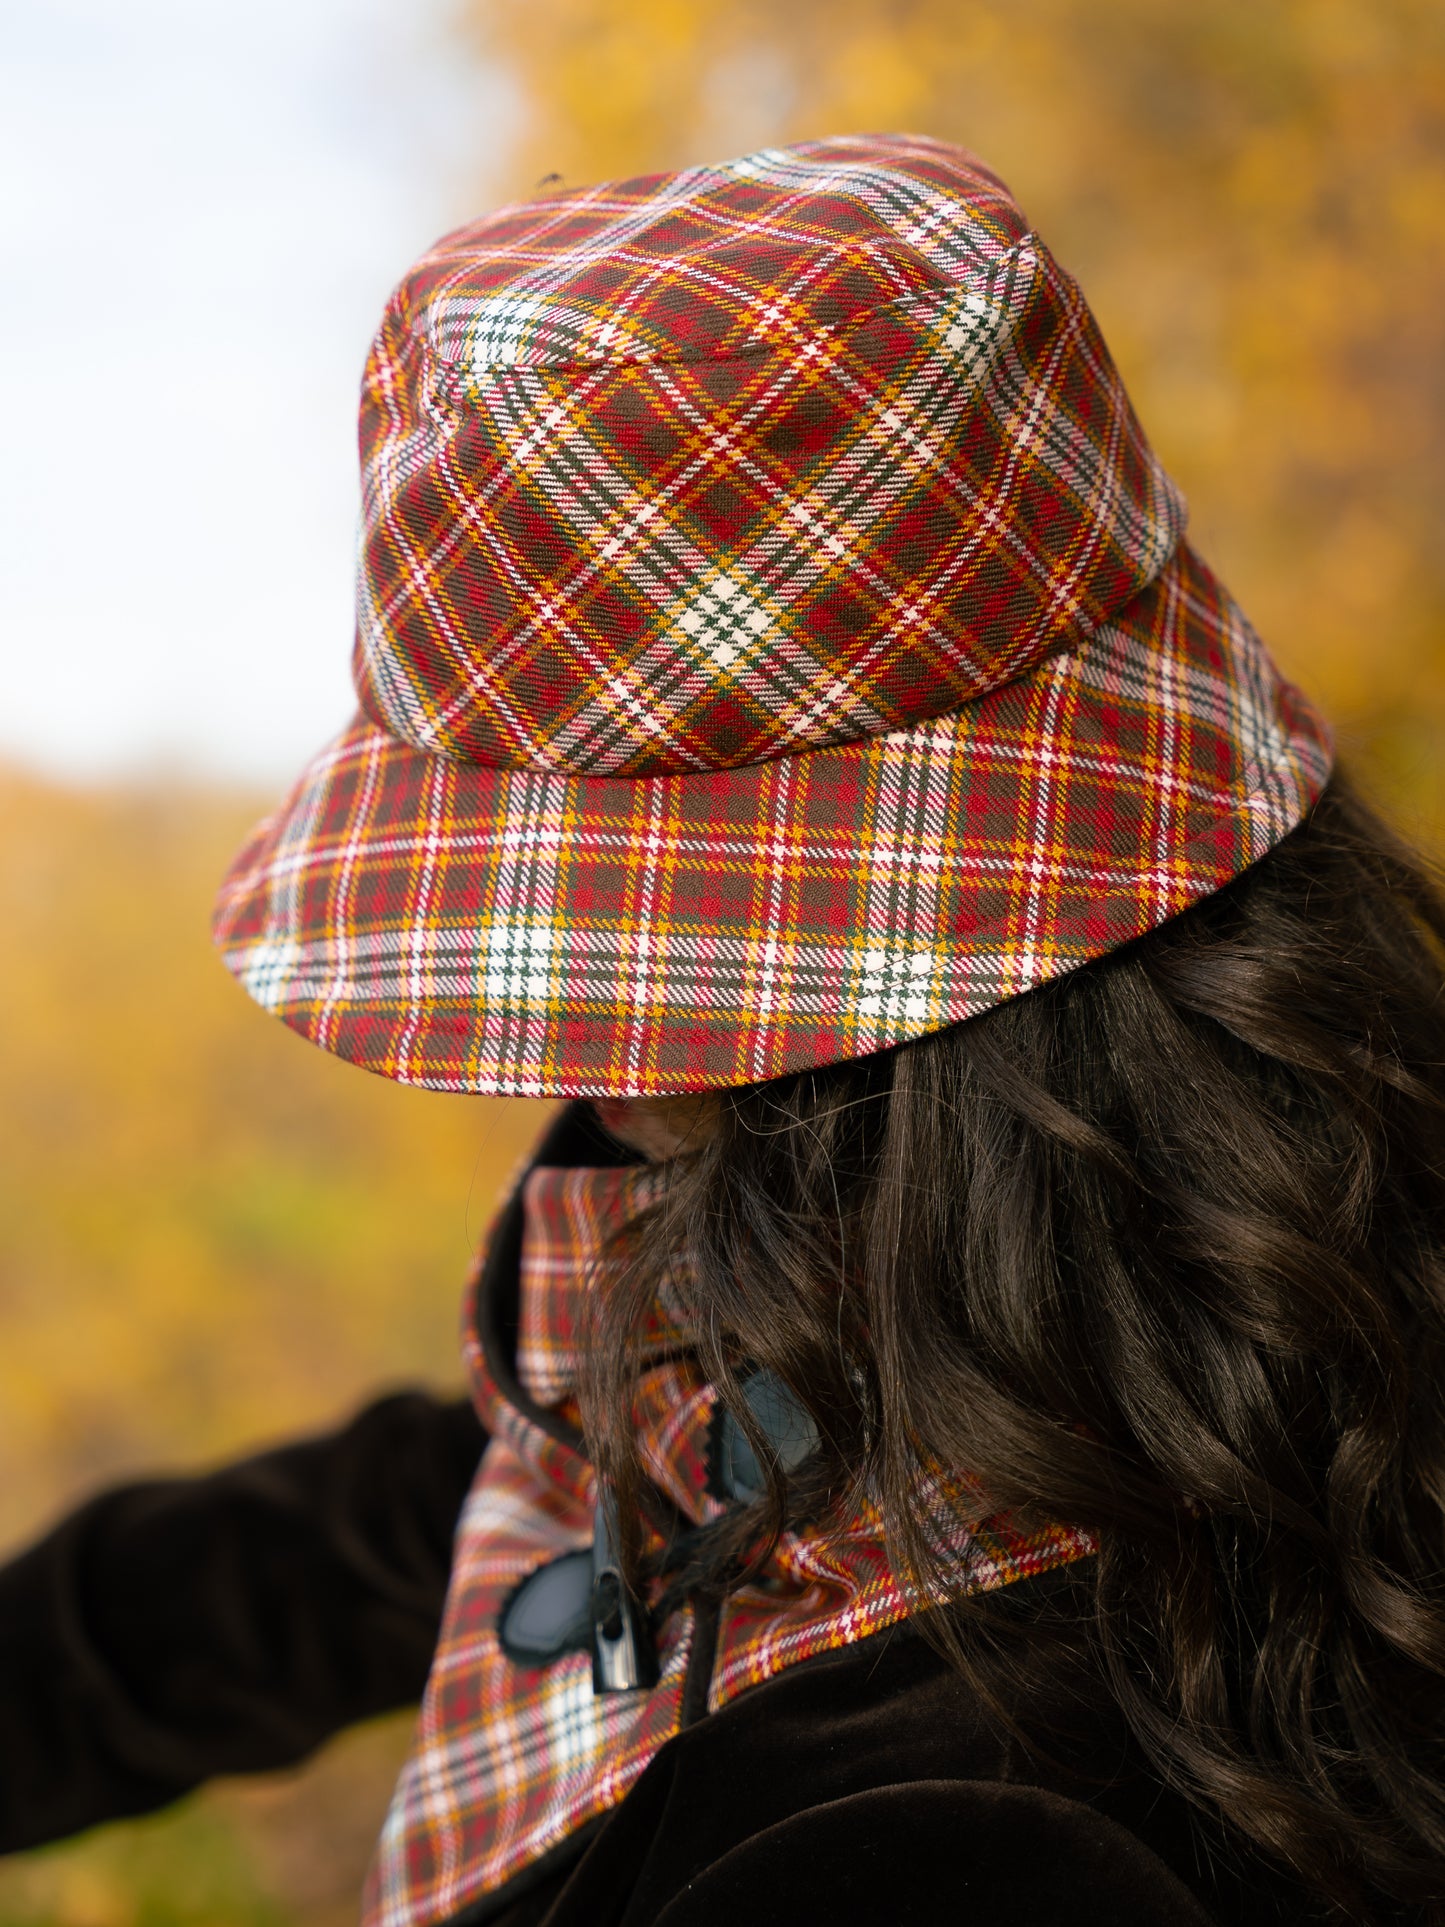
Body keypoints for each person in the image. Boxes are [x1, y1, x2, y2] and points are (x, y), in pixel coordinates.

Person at [1, 132, 1441, 1925]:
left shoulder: (951, 1840)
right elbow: (429, 1511)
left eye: (591, 971)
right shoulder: (1183, 1290)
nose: (579, 1070)